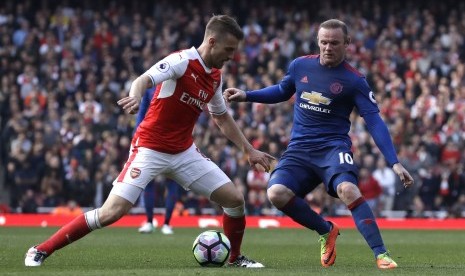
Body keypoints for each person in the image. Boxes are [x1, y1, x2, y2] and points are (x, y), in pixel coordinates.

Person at [25, 15, 275, 268]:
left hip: (184, 152)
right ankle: (40, 249)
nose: (232, 56)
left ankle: (235, 259)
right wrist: (134, 97)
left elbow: (221, 117)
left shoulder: (215, 76)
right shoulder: (181, 61)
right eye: (228, 49)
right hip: (150, 148)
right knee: (112, 212)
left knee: (234, 200)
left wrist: (249, 150)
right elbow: (142, 80)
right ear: (212, 42)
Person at [223, 18, 414, 269]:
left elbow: (374, 121)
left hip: (333, 149)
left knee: (349, 190)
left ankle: (381, 254)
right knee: (275, 193)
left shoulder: (355, 80)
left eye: (334, 43)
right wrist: (248, 95)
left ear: (347, 44)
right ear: (317, 42)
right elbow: (282, 91)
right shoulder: (300, 65)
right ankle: (326, 230)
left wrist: (395, 162)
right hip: (299, 150)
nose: (328, 47)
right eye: (323, 42)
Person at [135, 88, 179, 235]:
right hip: (152, 139)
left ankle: (166, 222)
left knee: (172, 181)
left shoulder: (179, 84)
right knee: (149, 181)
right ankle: (150, 221)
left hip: (173, 139)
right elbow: (142, 113)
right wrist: (138, 136)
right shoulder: (150, 88)